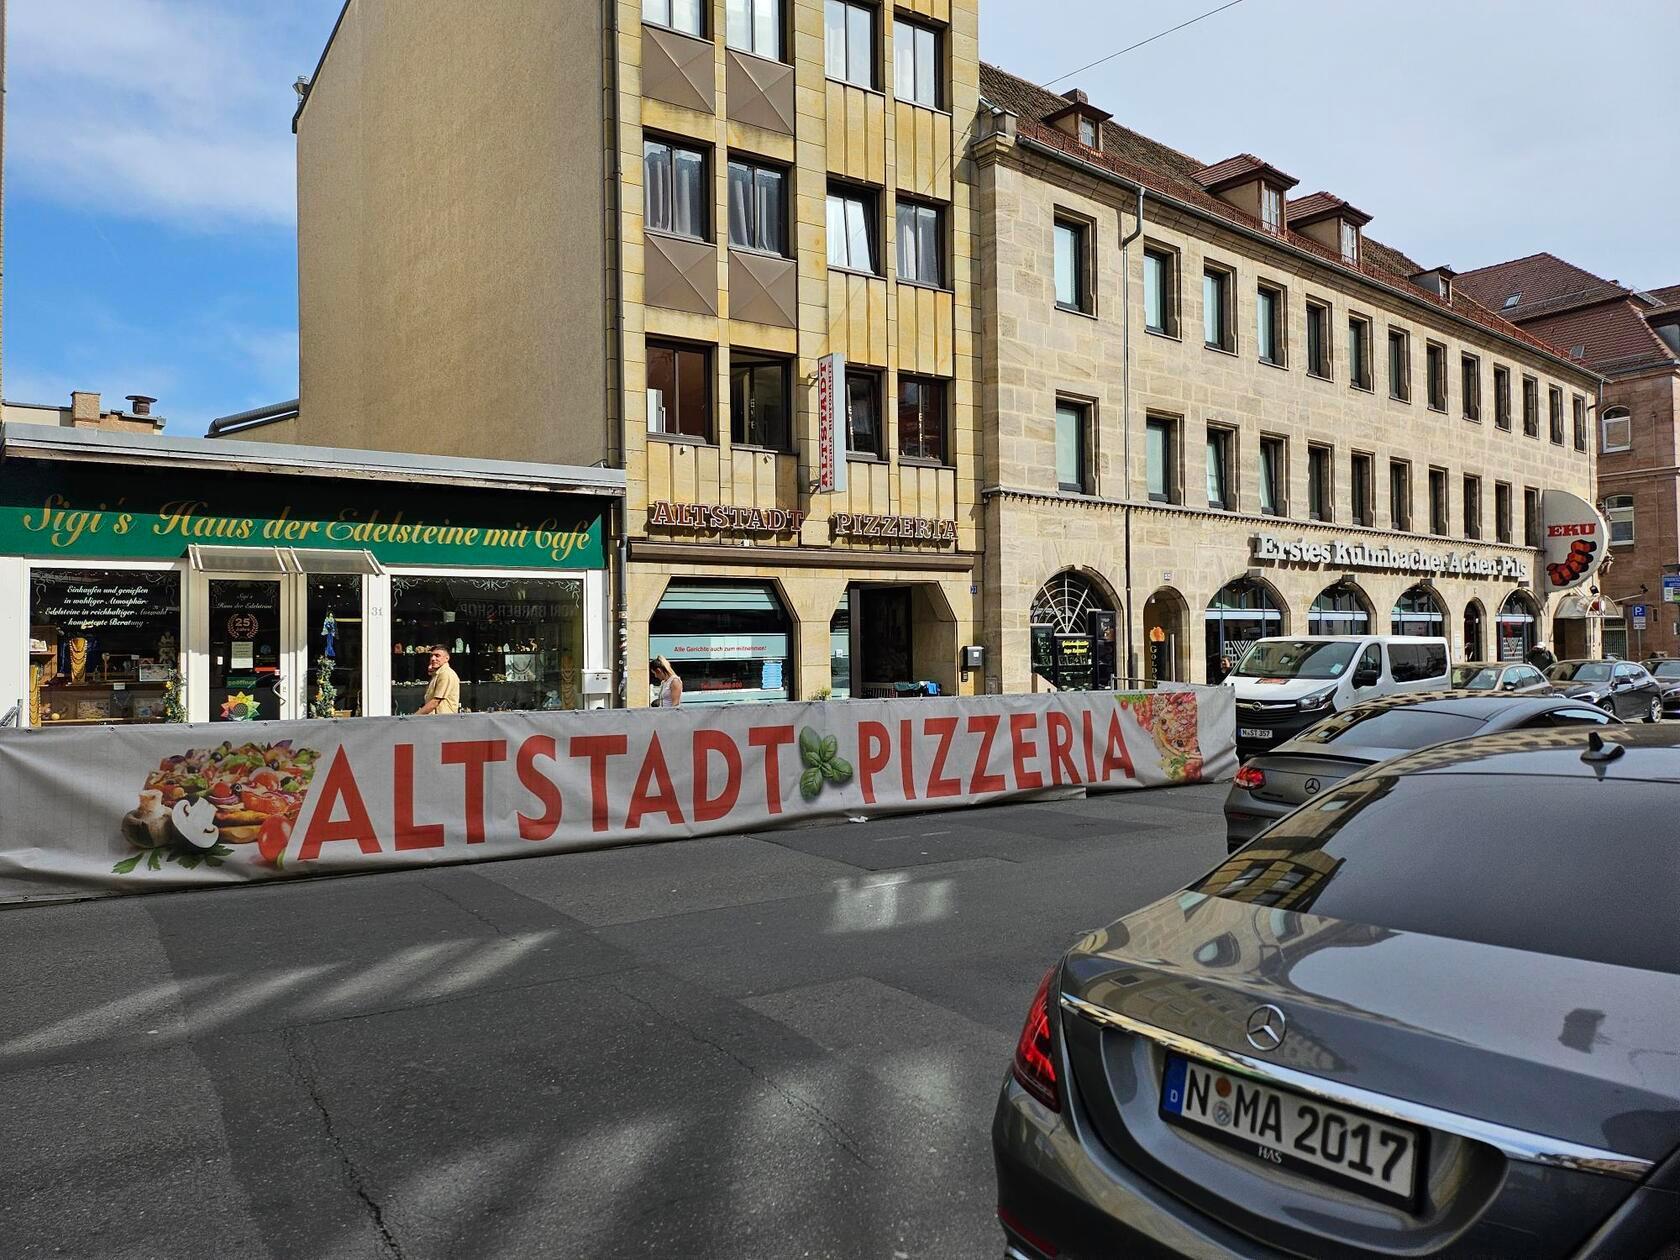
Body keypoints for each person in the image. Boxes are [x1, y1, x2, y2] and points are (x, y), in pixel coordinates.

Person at [416, 645, 460, 715]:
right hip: (437, 719)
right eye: (431, 656)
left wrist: (414, 717)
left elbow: (435, 702)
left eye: (437, 656)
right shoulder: (437, 674)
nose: (433, 659)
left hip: (443, 719)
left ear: (447, 658)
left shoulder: (446, 674)